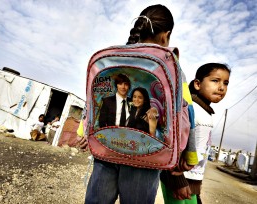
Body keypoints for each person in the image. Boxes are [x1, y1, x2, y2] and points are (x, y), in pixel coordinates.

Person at [79, 4, 187, 204]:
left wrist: (85, 132)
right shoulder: (173, 67)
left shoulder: (112, 59)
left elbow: (90, 102)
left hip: (106, 150)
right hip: (146, 158)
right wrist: (185, 154)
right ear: (166, 36)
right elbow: (184, 112)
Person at [161, 63, 231, 204]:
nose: (222, 87)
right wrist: (178, 181)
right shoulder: (189, 109)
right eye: (215, 81)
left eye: (226, 83)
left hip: (192, 180)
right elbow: (173, 145)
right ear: (198, 84)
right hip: (178, 179)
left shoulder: (205, 111)